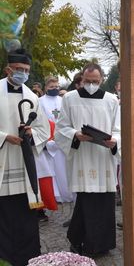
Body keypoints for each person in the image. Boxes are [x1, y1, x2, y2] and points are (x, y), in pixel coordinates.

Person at [55, 62, 120, 256]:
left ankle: (102, 244)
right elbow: (61, 128)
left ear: (101, 80)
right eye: (88, 81)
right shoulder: (69, 99)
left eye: (96, 81)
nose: (91, 85)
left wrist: (115, 141)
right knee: (86, 200)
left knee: (104, 201)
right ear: (81, 79)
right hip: (82, 157)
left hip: (103, 158)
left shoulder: (111, 100)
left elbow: (118, 129)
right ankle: (80, 241)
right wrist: (75, 134)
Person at [0, 48, 50, 266]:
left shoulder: (32, 97)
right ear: (8, 69)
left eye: (26, 70)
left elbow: (43, 130)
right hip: (2, 161)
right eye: (19, 69)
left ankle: (27, 258)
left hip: (23, 164)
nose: (22, 74)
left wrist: (31, 134)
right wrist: (3, 137)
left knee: (24, 216)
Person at [38, 76, 74, 204]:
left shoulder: (63, 100)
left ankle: (69, 193)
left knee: (65, 166)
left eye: (57, 86)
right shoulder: (40, 101)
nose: (55, 89)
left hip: (64, 136)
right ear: (46, 87)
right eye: (52, 87)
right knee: (53, 168)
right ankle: (56, 194)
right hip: (49, 138)